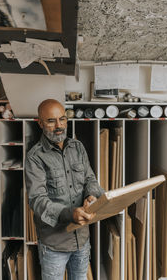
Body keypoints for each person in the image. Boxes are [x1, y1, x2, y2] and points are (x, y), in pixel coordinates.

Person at [25, 99, 104, 280]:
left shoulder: (78, 147)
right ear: (40, 123)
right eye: (51, 121)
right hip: (54, 245)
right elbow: (37, 200)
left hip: (82, 240)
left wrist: (91, 195)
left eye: (62, 119)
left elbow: (90, 179)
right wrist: (70, 214)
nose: (59, 126)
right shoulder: (35, 158)